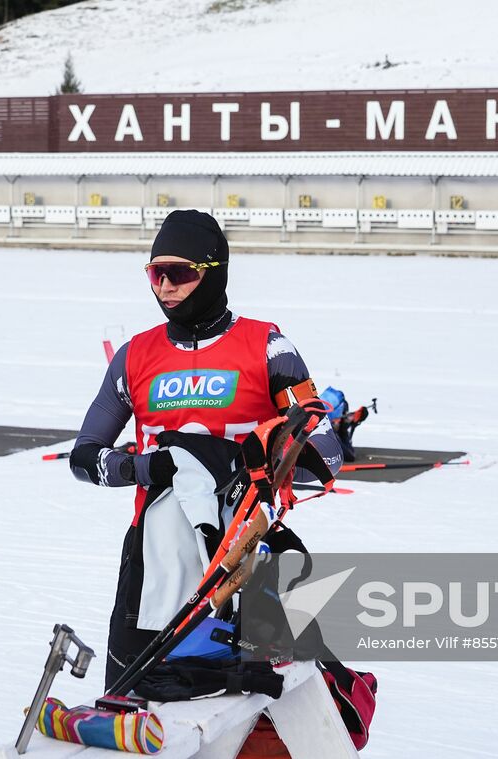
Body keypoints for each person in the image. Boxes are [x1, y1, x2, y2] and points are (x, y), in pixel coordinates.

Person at [68, 209, 342, 688]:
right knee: (135, 710)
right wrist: (149, 468)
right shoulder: (136, 356)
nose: (165, 287)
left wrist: (254, 462)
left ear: (214, 273)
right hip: (153, 558)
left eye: (181, 273)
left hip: (245, 555)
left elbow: (328, 458)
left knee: (245, 718)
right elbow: (85, 457)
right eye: (156, 273)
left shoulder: (268, 346)